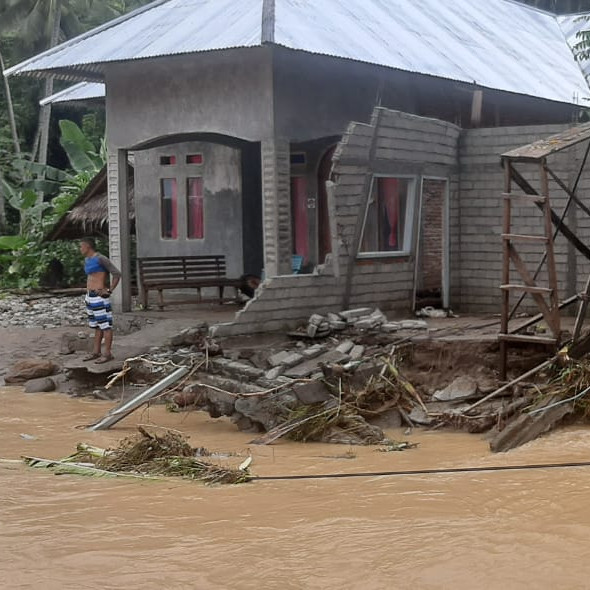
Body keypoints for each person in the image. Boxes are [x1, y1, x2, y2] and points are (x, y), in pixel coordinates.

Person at [79, 237, 121, 364]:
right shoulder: (87, 260)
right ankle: (96, 352)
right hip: (90, 296)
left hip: (99, 297)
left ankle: (107, 353)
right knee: (97, 326)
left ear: (88, 246)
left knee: (105, 326)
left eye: (81, 246)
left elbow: (116, 273)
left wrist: (109, 290)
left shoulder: (101, 258)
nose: (80, 249)